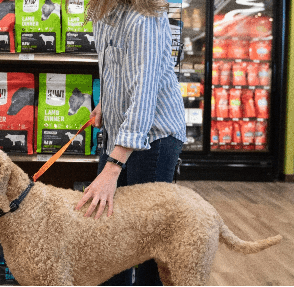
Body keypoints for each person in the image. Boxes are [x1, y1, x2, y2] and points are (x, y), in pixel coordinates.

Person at [74, 0, 187, 285]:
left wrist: (112, 169)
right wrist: (105, 103)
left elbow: (144, 96)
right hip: (121, 132)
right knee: (110, 237)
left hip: (154, 139)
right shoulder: (103, 12)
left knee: (148, 243)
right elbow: (117, 70)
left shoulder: (142, 19)